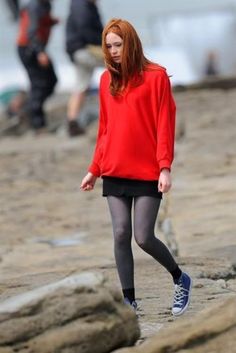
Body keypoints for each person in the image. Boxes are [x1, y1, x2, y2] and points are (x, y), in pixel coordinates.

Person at [81, 18, 192, 316]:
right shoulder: (106, 80)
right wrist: (94, 168)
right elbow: (105, 129)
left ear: (131, 43)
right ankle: (129, 301)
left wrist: (164, 167)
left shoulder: (156, 77)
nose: (114, 51)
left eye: (118, 45)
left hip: (147, 171)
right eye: (109, 46)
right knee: (120, 234)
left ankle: (180, 278)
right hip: (114, 168)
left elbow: (164, 125)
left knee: (143, 236)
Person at [16, 0, 58, 133]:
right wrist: (40, 52)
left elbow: (41, 23)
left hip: (36, 48)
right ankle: (37, 123)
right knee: (39, 84)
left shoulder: (45, 5)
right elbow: (31, 31)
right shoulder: (35, 6)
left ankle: (27, 109)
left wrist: (51, 22)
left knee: (51, 81)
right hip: (29, 49)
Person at [65, 0, 103, 137]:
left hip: (77, 50)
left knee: (81, 86)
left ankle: (72, 122)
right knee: (121, 65)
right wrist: (106, 42)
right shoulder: (82, 5)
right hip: (84, 50)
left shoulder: (81, 4)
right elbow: (85, 28)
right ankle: (129, 107)